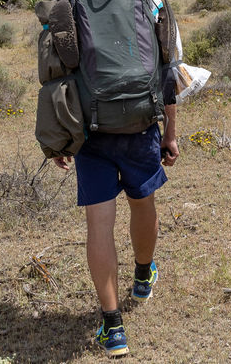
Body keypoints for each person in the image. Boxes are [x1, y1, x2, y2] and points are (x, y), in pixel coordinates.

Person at [53, 74, 178, 358]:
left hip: (91, 132)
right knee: (143, 203)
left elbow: (57, 76)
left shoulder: (77, 24)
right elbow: (170, 72)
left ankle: (113, 328)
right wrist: (170, 134)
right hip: (141, 126)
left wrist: (58, 137)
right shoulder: (156, 24)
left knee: (99, 225)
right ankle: (143, 278)